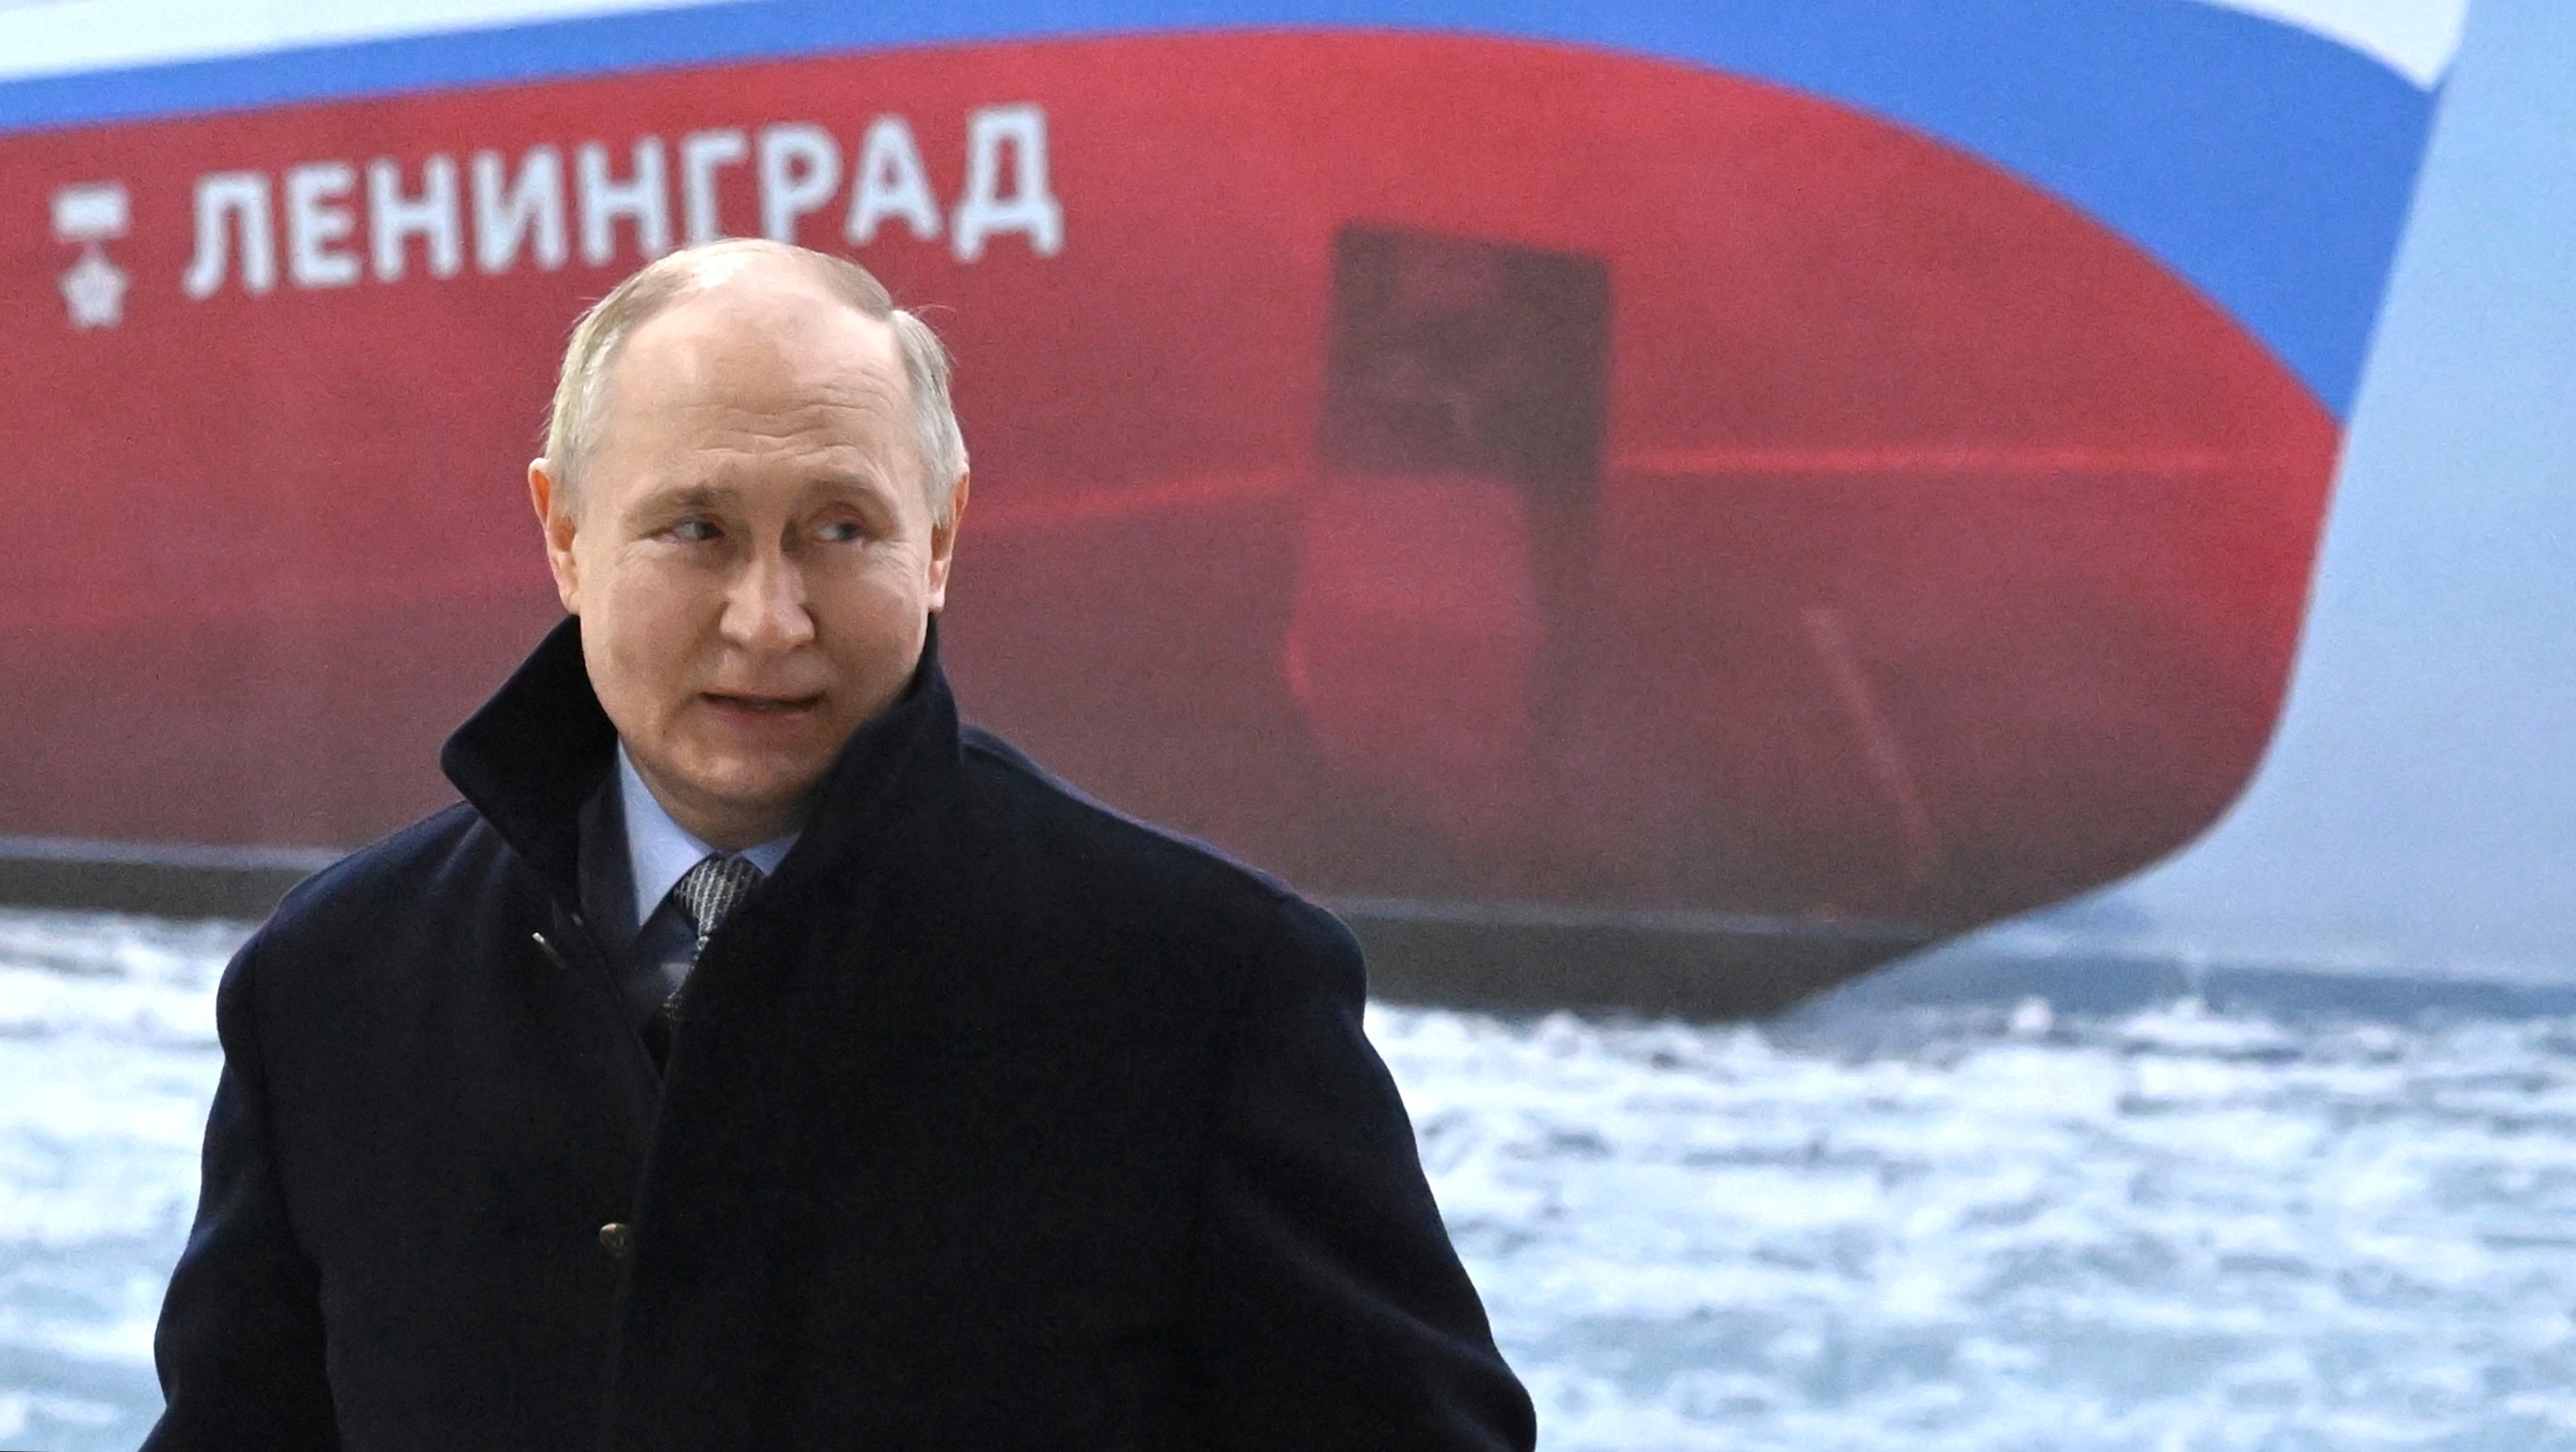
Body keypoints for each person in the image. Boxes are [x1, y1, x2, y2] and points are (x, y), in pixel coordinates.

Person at [143, 239, 1536, 1450]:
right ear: (563, 535)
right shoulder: (330, 990)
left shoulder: (1203, 987)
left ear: (939, 540)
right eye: (695, 529)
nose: (769, 618)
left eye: (840, 530)